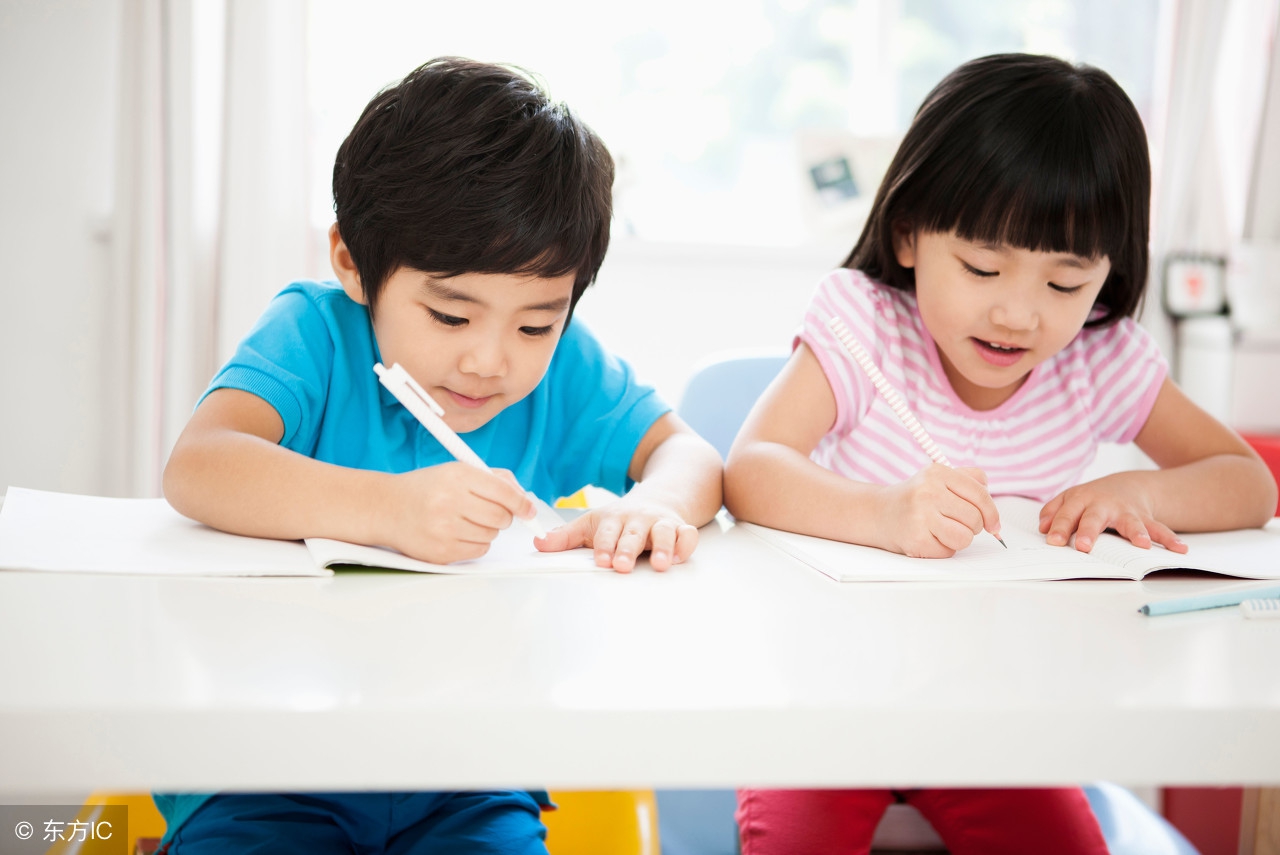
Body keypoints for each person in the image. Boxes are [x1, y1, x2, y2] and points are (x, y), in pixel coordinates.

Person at [157, 57, 722, 854]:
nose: (492, 360)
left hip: (469, 774)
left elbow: (688, 453)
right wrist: (388, 510)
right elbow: (201, 463)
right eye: (451, 316)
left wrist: (652, 506)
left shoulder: (563, 372)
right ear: (353, 261)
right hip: (270, 761)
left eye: (534, 324)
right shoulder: (314, 335)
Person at [724, 53, 1277, 855]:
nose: (1019, 313)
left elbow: (1248, 484)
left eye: (1065, 284)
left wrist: (1142, 493)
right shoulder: (866, 323)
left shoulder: (1099, 359)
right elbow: (751, 467)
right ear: (910, 233)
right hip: (830, 695)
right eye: (983, 267)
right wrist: (883, 512)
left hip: (998, 710)